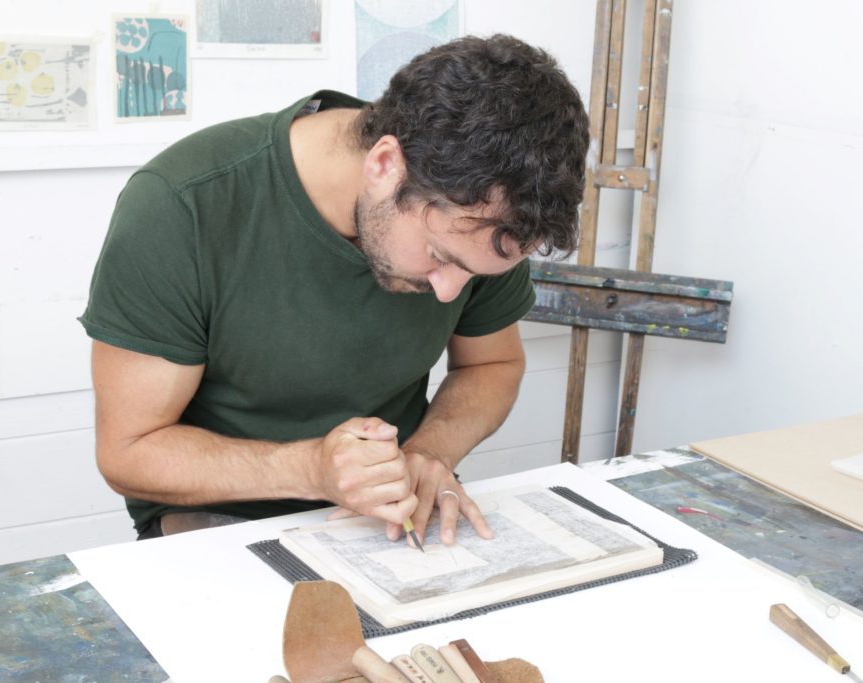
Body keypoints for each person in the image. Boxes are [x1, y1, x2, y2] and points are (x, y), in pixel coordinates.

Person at [79, 34, 589, 544]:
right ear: (385, 165)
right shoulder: (182, 205)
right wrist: (312, 470)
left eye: (476, 275)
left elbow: (492, 364)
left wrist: (428, 453)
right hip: (219, 521)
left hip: (388, 512)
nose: (450, 292)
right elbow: (129, 451)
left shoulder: (485, 215)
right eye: (440, 258)